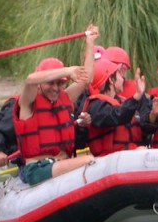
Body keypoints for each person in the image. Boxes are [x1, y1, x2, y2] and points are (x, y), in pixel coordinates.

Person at [13, 25, 98, 185]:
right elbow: (30, 79)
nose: (55, 88)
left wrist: (90, 42)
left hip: (60, 163)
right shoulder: (28, 102)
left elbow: (86, 79)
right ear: (40, 83)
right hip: (37, 168)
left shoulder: (64, 98)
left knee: (88, 160)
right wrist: (67, 71)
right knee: (88, 160)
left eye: (60, 84)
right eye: (50, 83)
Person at [83, 58, 149, 156]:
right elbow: (117, 116)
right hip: (108, 162)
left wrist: (153, 116)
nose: (123, 78)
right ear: (111, 80)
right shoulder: (96, 106)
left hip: (125, 158)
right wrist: (136, 96)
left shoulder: (121, 102)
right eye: (119, 74)